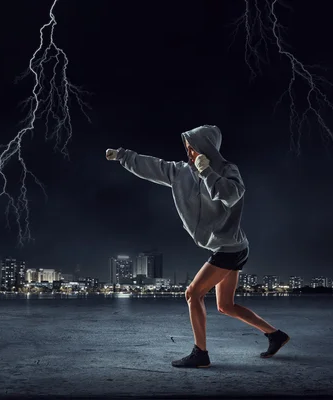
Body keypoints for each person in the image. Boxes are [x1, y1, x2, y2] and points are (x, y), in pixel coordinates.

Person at [105, 125, 289, 368]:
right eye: (187, 147)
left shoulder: (227, 169)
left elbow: (231, 195)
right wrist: (122, 155)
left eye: (193, 147)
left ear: (207, 148)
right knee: (225, 306)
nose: (189, 152)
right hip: (226, 247)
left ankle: (200, 354)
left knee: (193, 293)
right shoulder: (179, 172)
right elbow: (151, 165)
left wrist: (207, 171)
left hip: (230, 248)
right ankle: (275, 335)